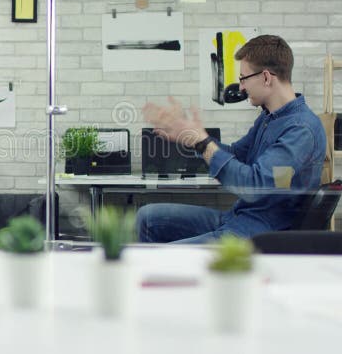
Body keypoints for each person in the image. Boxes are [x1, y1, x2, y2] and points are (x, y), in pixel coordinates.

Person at [137, 34, 326, 244]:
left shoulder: (301, 130)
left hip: (260, 233)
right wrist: (191, 138)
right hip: (238, 218)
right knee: (147, 218)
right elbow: (236, 154)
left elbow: (254, 186)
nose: (241, 87)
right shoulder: (269, 118)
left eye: (243, 78)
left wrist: (203, 142)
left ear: (266, 77)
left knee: (163, 258)